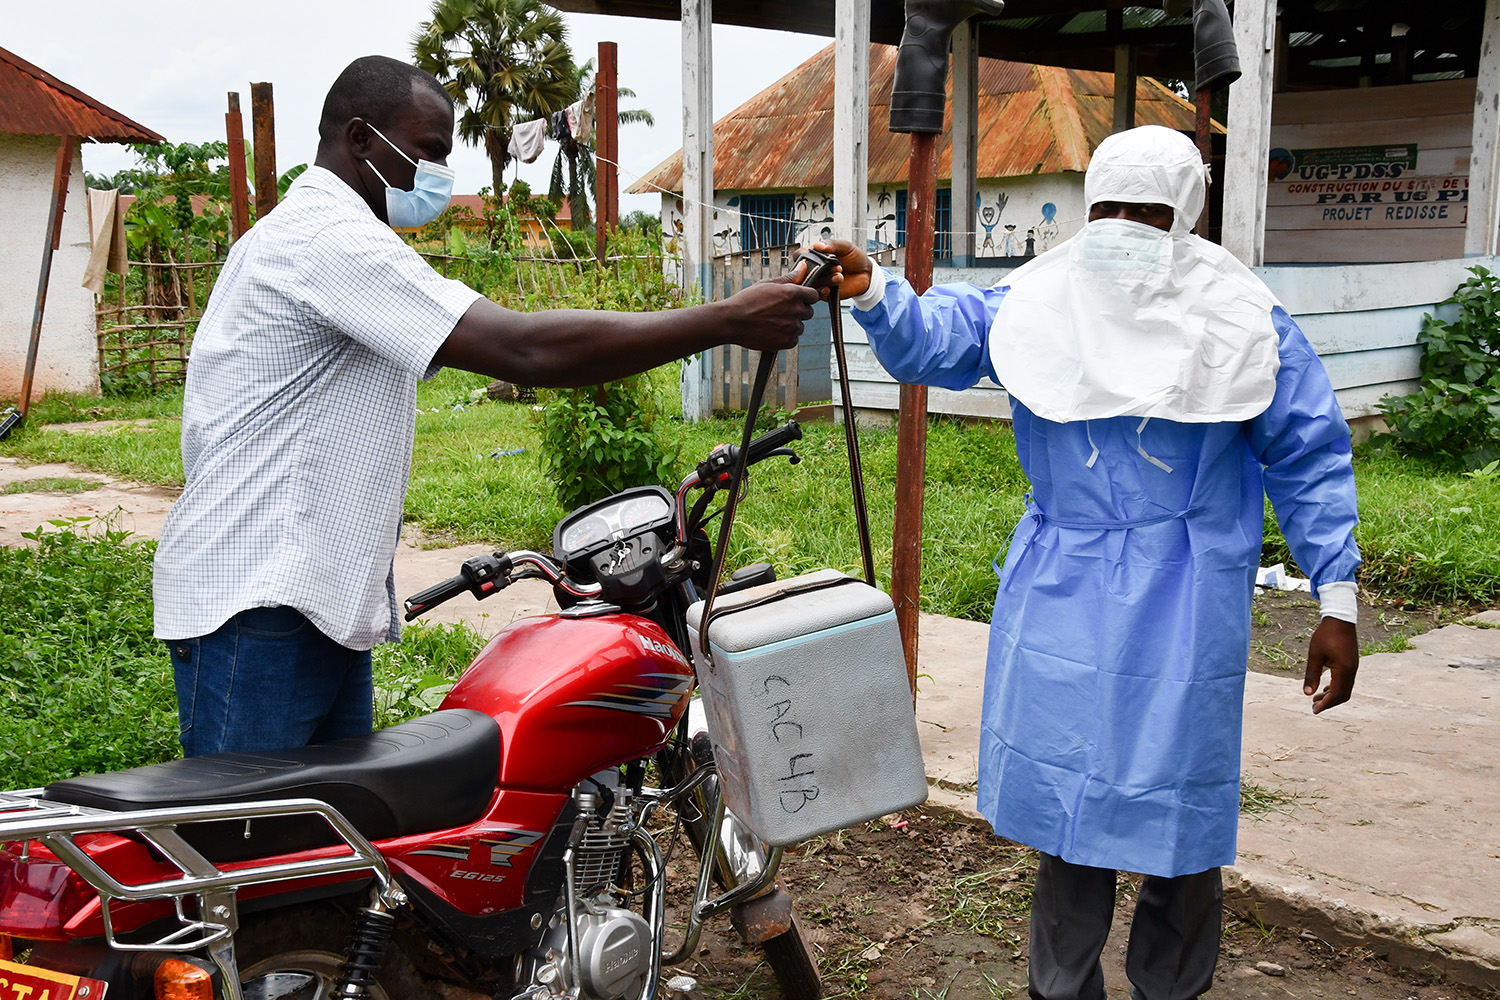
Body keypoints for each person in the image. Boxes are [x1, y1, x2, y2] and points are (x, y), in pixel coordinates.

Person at [817, 125, 1360, 1000]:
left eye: (1145, 215)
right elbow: (943, 338)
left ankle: (1170, 988)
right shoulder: (1042, 297)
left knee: (1179, 812)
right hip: (1064, 587)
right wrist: (876, 289)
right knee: (1068, 809)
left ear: (1186, 217)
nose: (1121, 232)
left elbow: (1310, 454)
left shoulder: (1243, 319)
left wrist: (1338, 597)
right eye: (1106, 212)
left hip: (1187, 595)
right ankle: (1058, 989)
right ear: (1086, 211)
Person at [155, 55, 832, 758]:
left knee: (333, 847)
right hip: (263, 601)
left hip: (306, 598)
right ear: (360, 139)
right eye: (427, 152)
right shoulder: (327, 240)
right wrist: (722, 320)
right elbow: (525, 349)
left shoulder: (322, 237)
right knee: (252, 847)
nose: (439, 176)